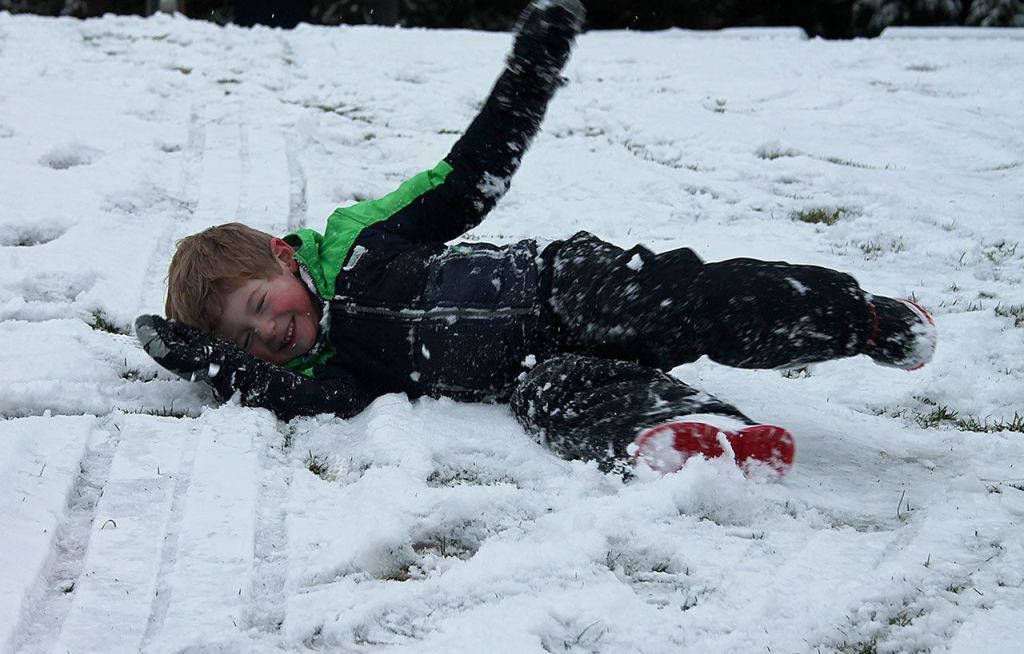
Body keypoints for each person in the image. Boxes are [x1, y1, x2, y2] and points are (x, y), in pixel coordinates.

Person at [135, 0, 936, 477]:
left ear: (282, 255)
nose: (269, 331)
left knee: (697, 305)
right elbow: (300, 398)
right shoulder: (338, 370)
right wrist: (212, 361)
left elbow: (470, 175)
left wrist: (533, 69)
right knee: (551, 399)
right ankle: (705, 435)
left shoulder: (366, 243)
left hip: (563, 285)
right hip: (531, 360)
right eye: (249, 338)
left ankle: (861, 318)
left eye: (256, 306)